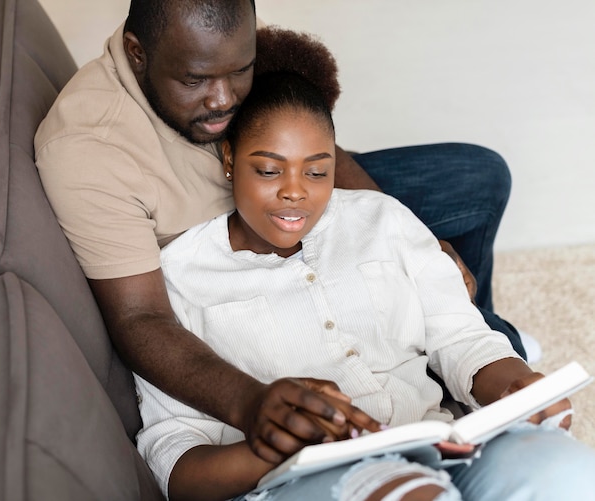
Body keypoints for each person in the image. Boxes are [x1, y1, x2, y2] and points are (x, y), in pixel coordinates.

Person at [35, 0, 531, 462]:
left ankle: (455, 340)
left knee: (480, 182)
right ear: (137, 53)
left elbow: (308, 134)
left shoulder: (215, 38)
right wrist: (251, 405)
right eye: (196, 81)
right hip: (239, 254)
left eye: (240, 72)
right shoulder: (87, 149)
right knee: (504, 345)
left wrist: (413, 250)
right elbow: (141, 316)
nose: (224, 99)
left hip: (303, 201)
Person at [134, 28, 595, 501]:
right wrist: (278, 444)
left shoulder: (382, 221)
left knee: (564, 469)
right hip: (301, 481)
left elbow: (462, 338)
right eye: (270, 170)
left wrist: (513, 385)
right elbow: (173, 455)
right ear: (229, 158)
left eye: (317, 171)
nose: (296, 191)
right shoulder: (181, 277)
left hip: (440, 444)